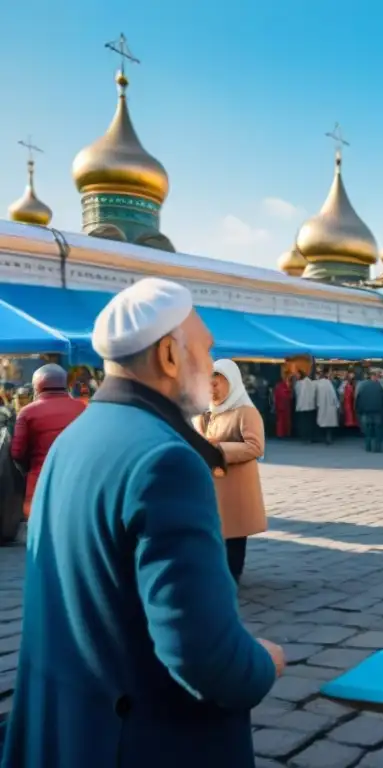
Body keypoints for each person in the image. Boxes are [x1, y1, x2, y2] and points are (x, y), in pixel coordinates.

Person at [2, 278, 284, 768]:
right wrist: (265, 661)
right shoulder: (166, 459)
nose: (211, 361)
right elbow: (205, 657)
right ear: (170, 357)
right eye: (205, 347)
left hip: (73, 729)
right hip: (142, 740)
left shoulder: (75, 436)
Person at [194, 359, 268, 583]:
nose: (212, 391)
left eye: (216, 385)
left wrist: (218, 449)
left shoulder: (245, 412)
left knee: (235, 532)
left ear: (231, 383)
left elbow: (255, 447)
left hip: (236, 486)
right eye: (209, 386)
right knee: (214, 530)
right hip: (213, 486)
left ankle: (233, 574)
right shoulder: (208, 413)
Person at [9, 364, 86, 519]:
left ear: (36, 386)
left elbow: (17, 453)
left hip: (40, 481)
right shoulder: (83, 408)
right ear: (65, 384)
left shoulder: (28, 412)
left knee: (39, 526)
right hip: (77, 480)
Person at [355, 370, 383, 452]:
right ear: (375, 377)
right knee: (378, 430)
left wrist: (359, 411)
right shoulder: (379, 386)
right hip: (377, 412)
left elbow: (358, 399)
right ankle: (377, 447)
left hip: (366, 412)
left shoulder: (363, 386)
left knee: (368, 430)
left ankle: (368, 446)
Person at [312, 368, 340, 444]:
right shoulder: (330, 384)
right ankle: (328, 438)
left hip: (321, 405)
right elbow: (335, 395)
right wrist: (337, 405)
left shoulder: (317, 383)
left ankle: (319, 437)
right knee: (329, 423)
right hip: (330, 406)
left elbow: (315, 394)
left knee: (320, 421)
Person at [293, 369, 316, 442]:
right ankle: (308, 437)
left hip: (302, 406)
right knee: (308, 423)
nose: (296, 376)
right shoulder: (309, 382)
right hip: (309, 406)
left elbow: (297, 394)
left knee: (304, 422)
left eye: (297, 374)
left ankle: (305, 437)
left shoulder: (300, 383)